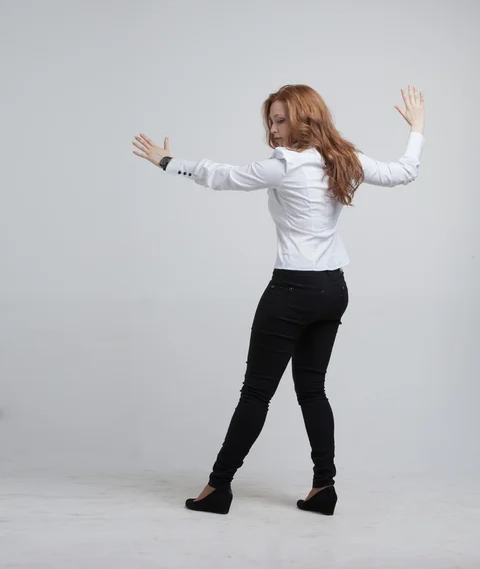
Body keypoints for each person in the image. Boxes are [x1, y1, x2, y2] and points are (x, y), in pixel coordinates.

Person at [132, 84, 425, 515]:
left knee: (255, 394)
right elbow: (405, 171)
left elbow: (221, 175)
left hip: (291, 292)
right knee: (313, 390)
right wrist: (417, 128)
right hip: (333, 290)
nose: (274, 128)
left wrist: (166, 162)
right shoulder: (344, 159)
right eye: (271, 119)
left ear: (305, 118)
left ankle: (218, 488)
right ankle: (323, 488)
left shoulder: (285, 164)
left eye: (281, 119)